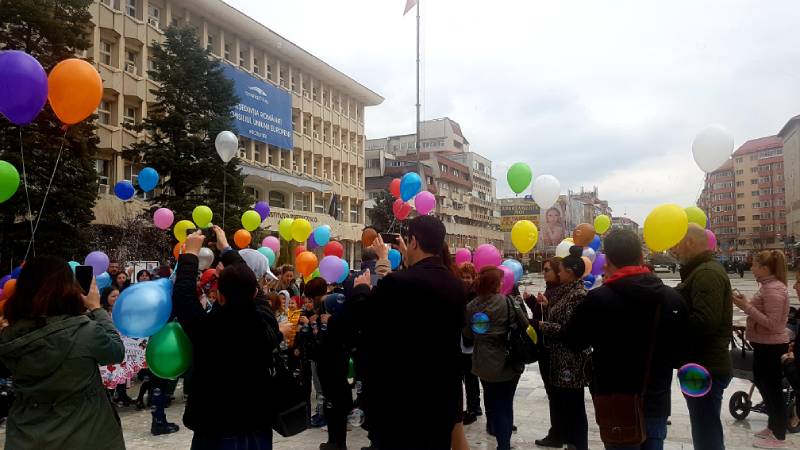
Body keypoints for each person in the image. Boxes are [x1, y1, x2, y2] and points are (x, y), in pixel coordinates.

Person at [348, 215, 466, 449]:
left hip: (403, 398)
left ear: (413, 242)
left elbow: (368, 324)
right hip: (442, 393)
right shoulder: (456, 284)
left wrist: (361, 291)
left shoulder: (398, 283)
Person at [564, 230, 688, 450]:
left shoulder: (598, 299)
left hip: (614, 400)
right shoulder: (671, 298)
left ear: (608, 261)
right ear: (641, 257)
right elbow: (681, 354)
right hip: (655, 398)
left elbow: (573, 341)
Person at [172, 227, 282, 449]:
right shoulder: (264, 322)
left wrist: (190, 254)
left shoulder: (208, 328)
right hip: (257, 425)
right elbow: (250, 284)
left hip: (215, 428)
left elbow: (183, 297)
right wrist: (226, 249)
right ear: (254, 294)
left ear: (220, 297)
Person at [0, 256, 125, 449]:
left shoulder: (9, 336)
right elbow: (115, 351)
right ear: (67, 287)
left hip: (27, 435)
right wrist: (96, 308)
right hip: (87, 433)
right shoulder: (85, 332)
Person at [672, 224, 733, 450]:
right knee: (704, 426)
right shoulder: (700, 270)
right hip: (700, 364)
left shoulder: (706, 273)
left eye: (677, 244)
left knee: (706, 431)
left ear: (690, 242)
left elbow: (705, 322)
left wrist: (672, 319)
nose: (675, 250)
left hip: (705, 366)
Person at [463, 266, 529, 450]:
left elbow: (467, 334)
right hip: (509, 359)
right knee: (506, 405)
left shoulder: (471, 307)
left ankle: (499, 436)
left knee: (494, 402)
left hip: (484, 363)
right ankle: (503, 444)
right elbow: (524, 324)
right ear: (495, 284)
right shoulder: (508, 302)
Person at [733, 250, 791, 448]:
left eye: (755, 265)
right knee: (762, 383)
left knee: (773, 390)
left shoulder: (773, 289)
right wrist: (746, 303)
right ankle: (773, 426)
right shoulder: (767, 286)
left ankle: (779, 436)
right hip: (763, 343)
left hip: (772, 346)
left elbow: (774, 324)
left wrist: (746, 307)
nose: (751, 267)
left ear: (765, 269)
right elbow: (762, 312)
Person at [539, 246, 589, 450]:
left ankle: (577, 445)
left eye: (560, 270)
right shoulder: (566, 292)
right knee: (565, 404)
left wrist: (543, 326)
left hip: (570, 361)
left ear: (570, 272)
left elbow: (569, 330)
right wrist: (545, 307)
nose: (558, 274)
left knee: (574, 406)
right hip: (560, 359)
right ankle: (569, 441)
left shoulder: (577, 295)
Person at [526, 257, 564, 448]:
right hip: (545, 348)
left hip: (551, 349)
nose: (544, 272)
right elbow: (540, 313)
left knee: (555, 393)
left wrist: (534, 321)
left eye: (547, 269)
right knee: (552, 392)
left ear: (558, 272)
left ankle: (557, 433)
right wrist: (533, 301)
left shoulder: (559, 292)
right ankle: (557, 431)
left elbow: (552, 321)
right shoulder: (551, 289)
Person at [456, 262, 482, 425]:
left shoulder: (474, 295)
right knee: (466, 376)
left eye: (468, 277)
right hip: (461, 341)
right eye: (463, 277)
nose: (465, 280)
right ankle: (474, 406)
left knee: (471, 377)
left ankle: (474, 408)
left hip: (470, 342)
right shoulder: (459, 293)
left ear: (474, 278)